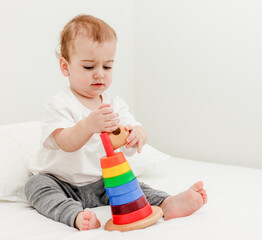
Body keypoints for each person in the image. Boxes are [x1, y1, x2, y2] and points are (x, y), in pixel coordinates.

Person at [25, 14, 207, 231]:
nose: (99, 74)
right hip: (62, 182)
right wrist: (87, 125)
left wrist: (137, 135)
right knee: (35, 186)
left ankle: (167, 203)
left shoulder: (115, 105)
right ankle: (74, 215)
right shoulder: (59, 104)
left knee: (133, 186)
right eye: (89, 67)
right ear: (66, 67)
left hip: (103, 182)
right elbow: (65, 142)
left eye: (108, 67)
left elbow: (132, 130)